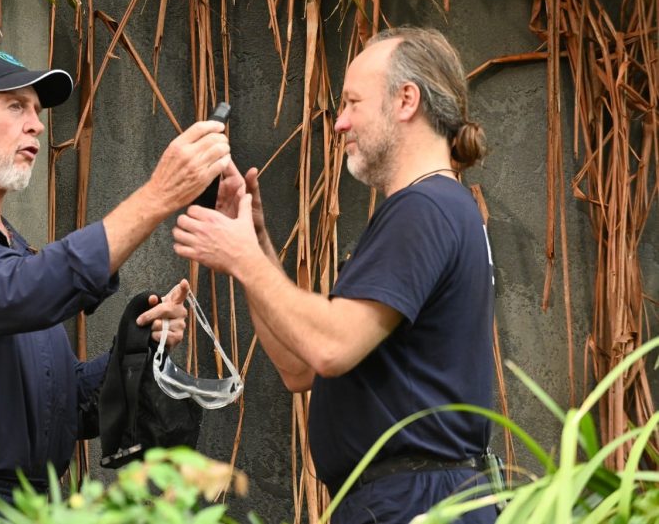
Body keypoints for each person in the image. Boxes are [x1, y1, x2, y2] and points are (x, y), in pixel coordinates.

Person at [0, 49, 231, 523]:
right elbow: (19, 294)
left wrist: (137, 345)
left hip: (26, 506)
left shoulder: (11, 250)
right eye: (15, 106)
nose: (37, 125)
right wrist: (159, 195)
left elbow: (66, 408)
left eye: (37, 112)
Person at [173, 27, 497, 523]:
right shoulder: (436, 207)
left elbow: (330, 347)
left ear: (406, 100)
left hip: (416, 504)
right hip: (400, 500)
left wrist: (241, 257)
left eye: (352, 102)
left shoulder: (424, 208)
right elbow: (298, 367)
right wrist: (254, 239)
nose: (340, 122)